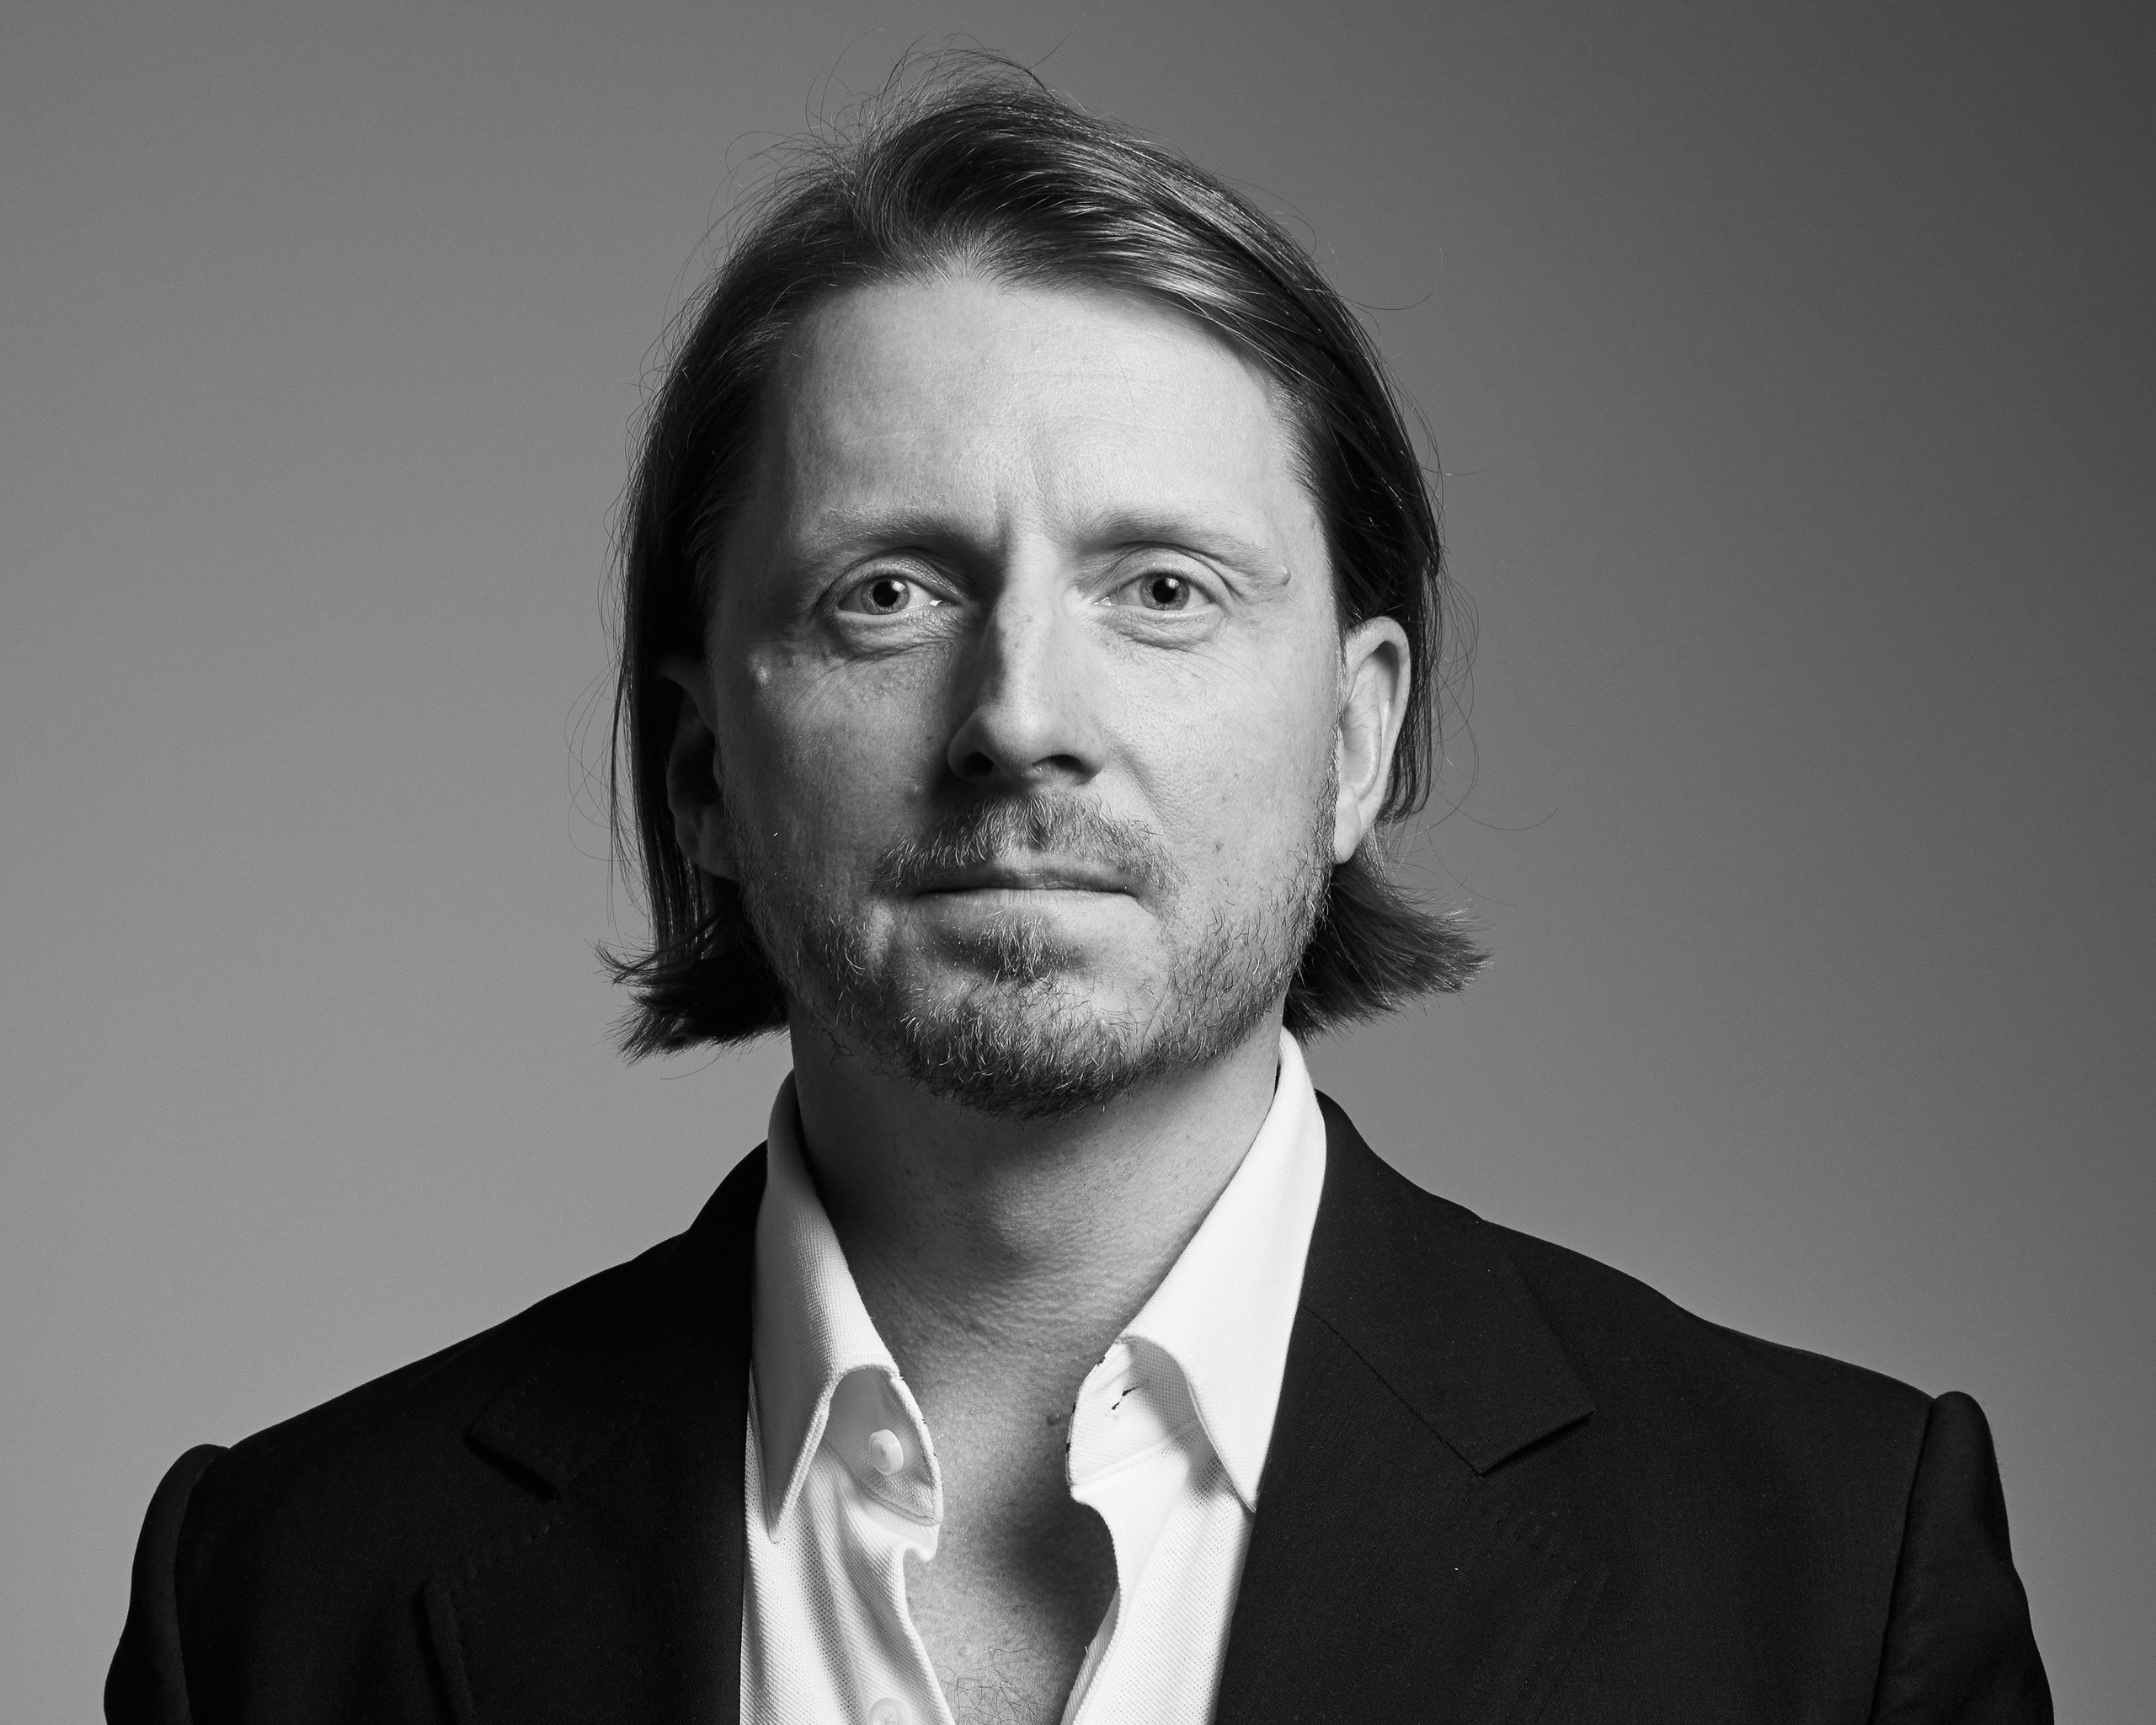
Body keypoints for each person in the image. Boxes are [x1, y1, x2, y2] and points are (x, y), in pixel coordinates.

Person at [107, 63, 2050, 1725]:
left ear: (1356, 743)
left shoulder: (1826, 1573)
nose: (1021, 717)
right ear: (705, 772)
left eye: (1163, 589)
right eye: (887, 592)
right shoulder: (278, 1602)